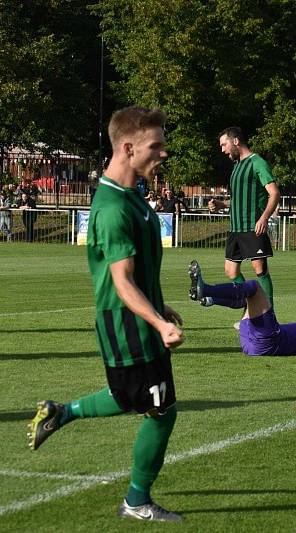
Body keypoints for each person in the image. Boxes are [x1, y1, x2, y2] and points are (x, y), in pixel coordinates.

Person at [27, 106, 184, 522]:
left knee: (133, 396)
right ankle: (137, 501)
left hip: (137, 317)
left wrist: (159, 305)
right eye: (157, 145)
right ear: (129, 148)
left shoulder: (132, 194)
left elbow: (137, 276)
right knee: (160, 410)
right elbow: (122, 282)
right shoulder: (113, 207)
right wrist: (158, 321)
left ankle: (63, 412)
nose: (164, 153)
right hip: (127, 324)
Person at [208, 127, 280, 311]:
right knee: (231, 271)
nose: (223, 149)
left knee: (259, 269)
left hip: (252, 225)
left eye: (224, 144)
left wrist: (264, 218)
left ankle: (267, 314)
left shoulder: (257, 163)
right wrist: (222, 205)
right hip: (236, 227)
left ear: (236, 142)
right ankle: (251, 308)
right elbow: (241, 199)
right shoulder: (237, 166)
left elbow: (274, 193)